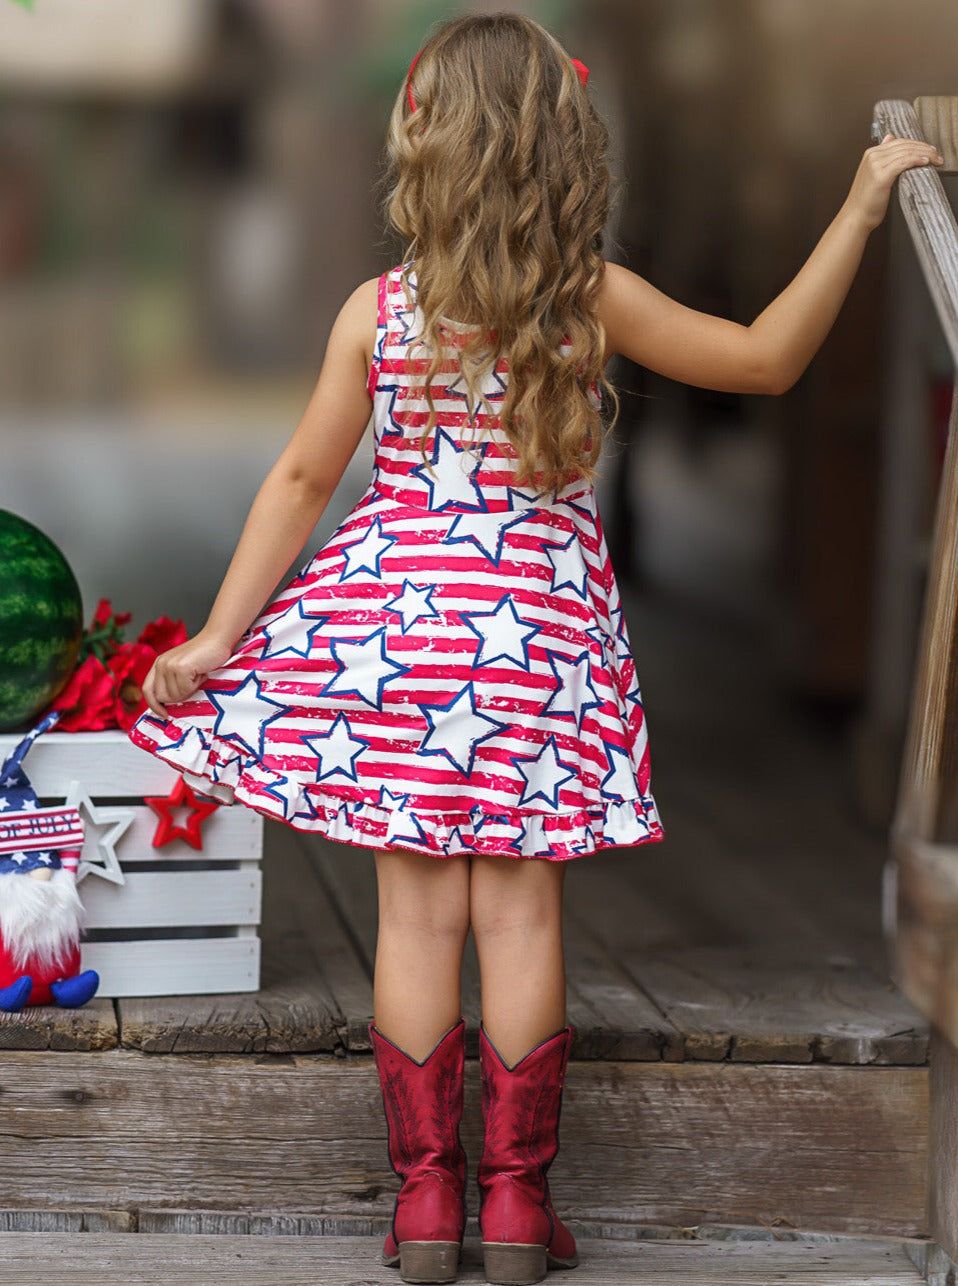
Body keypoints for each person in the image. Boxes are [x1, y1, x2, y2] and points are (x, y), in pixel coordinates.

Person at [128, 12, 943, 1285]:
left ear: (425, 146)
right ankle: (514, 1203)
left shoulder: (378, 312)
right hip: (536, 643)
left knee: (413, 913)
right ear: (563, 151)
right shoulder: (588, 304)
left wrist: (222, 634)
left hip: (392, 642)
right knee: (517, 911)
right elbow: (768, 359)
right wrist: (855, 204)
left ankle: (424, 1207)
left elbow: (298, 481)